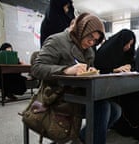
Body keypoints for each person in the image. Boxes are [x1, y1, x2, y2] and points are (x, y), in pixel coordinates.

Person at [31, 13, 121, 144]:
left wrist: (91, 72)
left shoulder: (89, 50)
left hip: (79, 94)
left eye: (95, 40)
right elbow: (36, 68)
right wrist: (65, 70)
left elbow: (87, 71)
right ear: (81, 29)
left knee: (116, 110)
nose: (92, 42)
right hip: (57, 95)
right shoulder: (57, 40)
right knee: (103, 108)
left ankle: (82, 138)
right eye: (90, 36)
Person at [94, 29, 139, 140]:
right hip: (108, 88)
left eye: (131, 44)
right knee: (131, 98)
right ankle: (129, 126)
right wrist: (115, 70)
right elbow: (98, 70)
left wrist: (130, 67)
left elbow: (133, 64)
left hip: (124, 84)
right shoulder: (106, 50)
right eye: (127, 43)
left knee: (138, 93)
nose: (129, 47)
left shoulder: (125, 51)